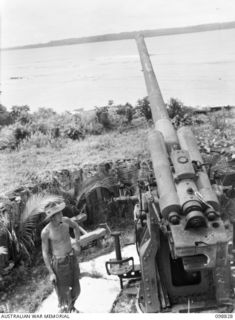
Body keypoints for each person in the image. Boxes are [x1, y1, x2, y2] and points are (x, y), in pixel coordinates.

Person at [41, 201, 81, 313]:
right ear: (52, 217)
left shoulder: (66, 221)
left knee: (77, 290)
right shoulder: (46, 232)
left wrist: (77, 243)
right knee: (63, 293)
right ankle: (67, 310)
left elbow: (76, 227)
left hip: (72, 259)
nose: (61, 214)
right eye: (58, 213)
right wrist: (51, 272)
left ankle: (70, 306)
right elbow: (44, 252)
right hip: (59, 264)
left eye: (60, 211)